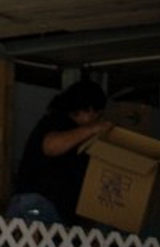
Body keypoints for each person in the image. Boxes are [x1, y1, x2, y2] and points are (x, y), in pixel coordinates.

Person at [8, 81, 112, 224]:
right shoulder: (58, 121)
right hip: (40, 204)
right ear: (89, 110)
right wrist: (92, 129)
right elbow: (51, 147)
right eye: (97, 114)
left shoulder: (71, 129)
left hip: (48, 207)